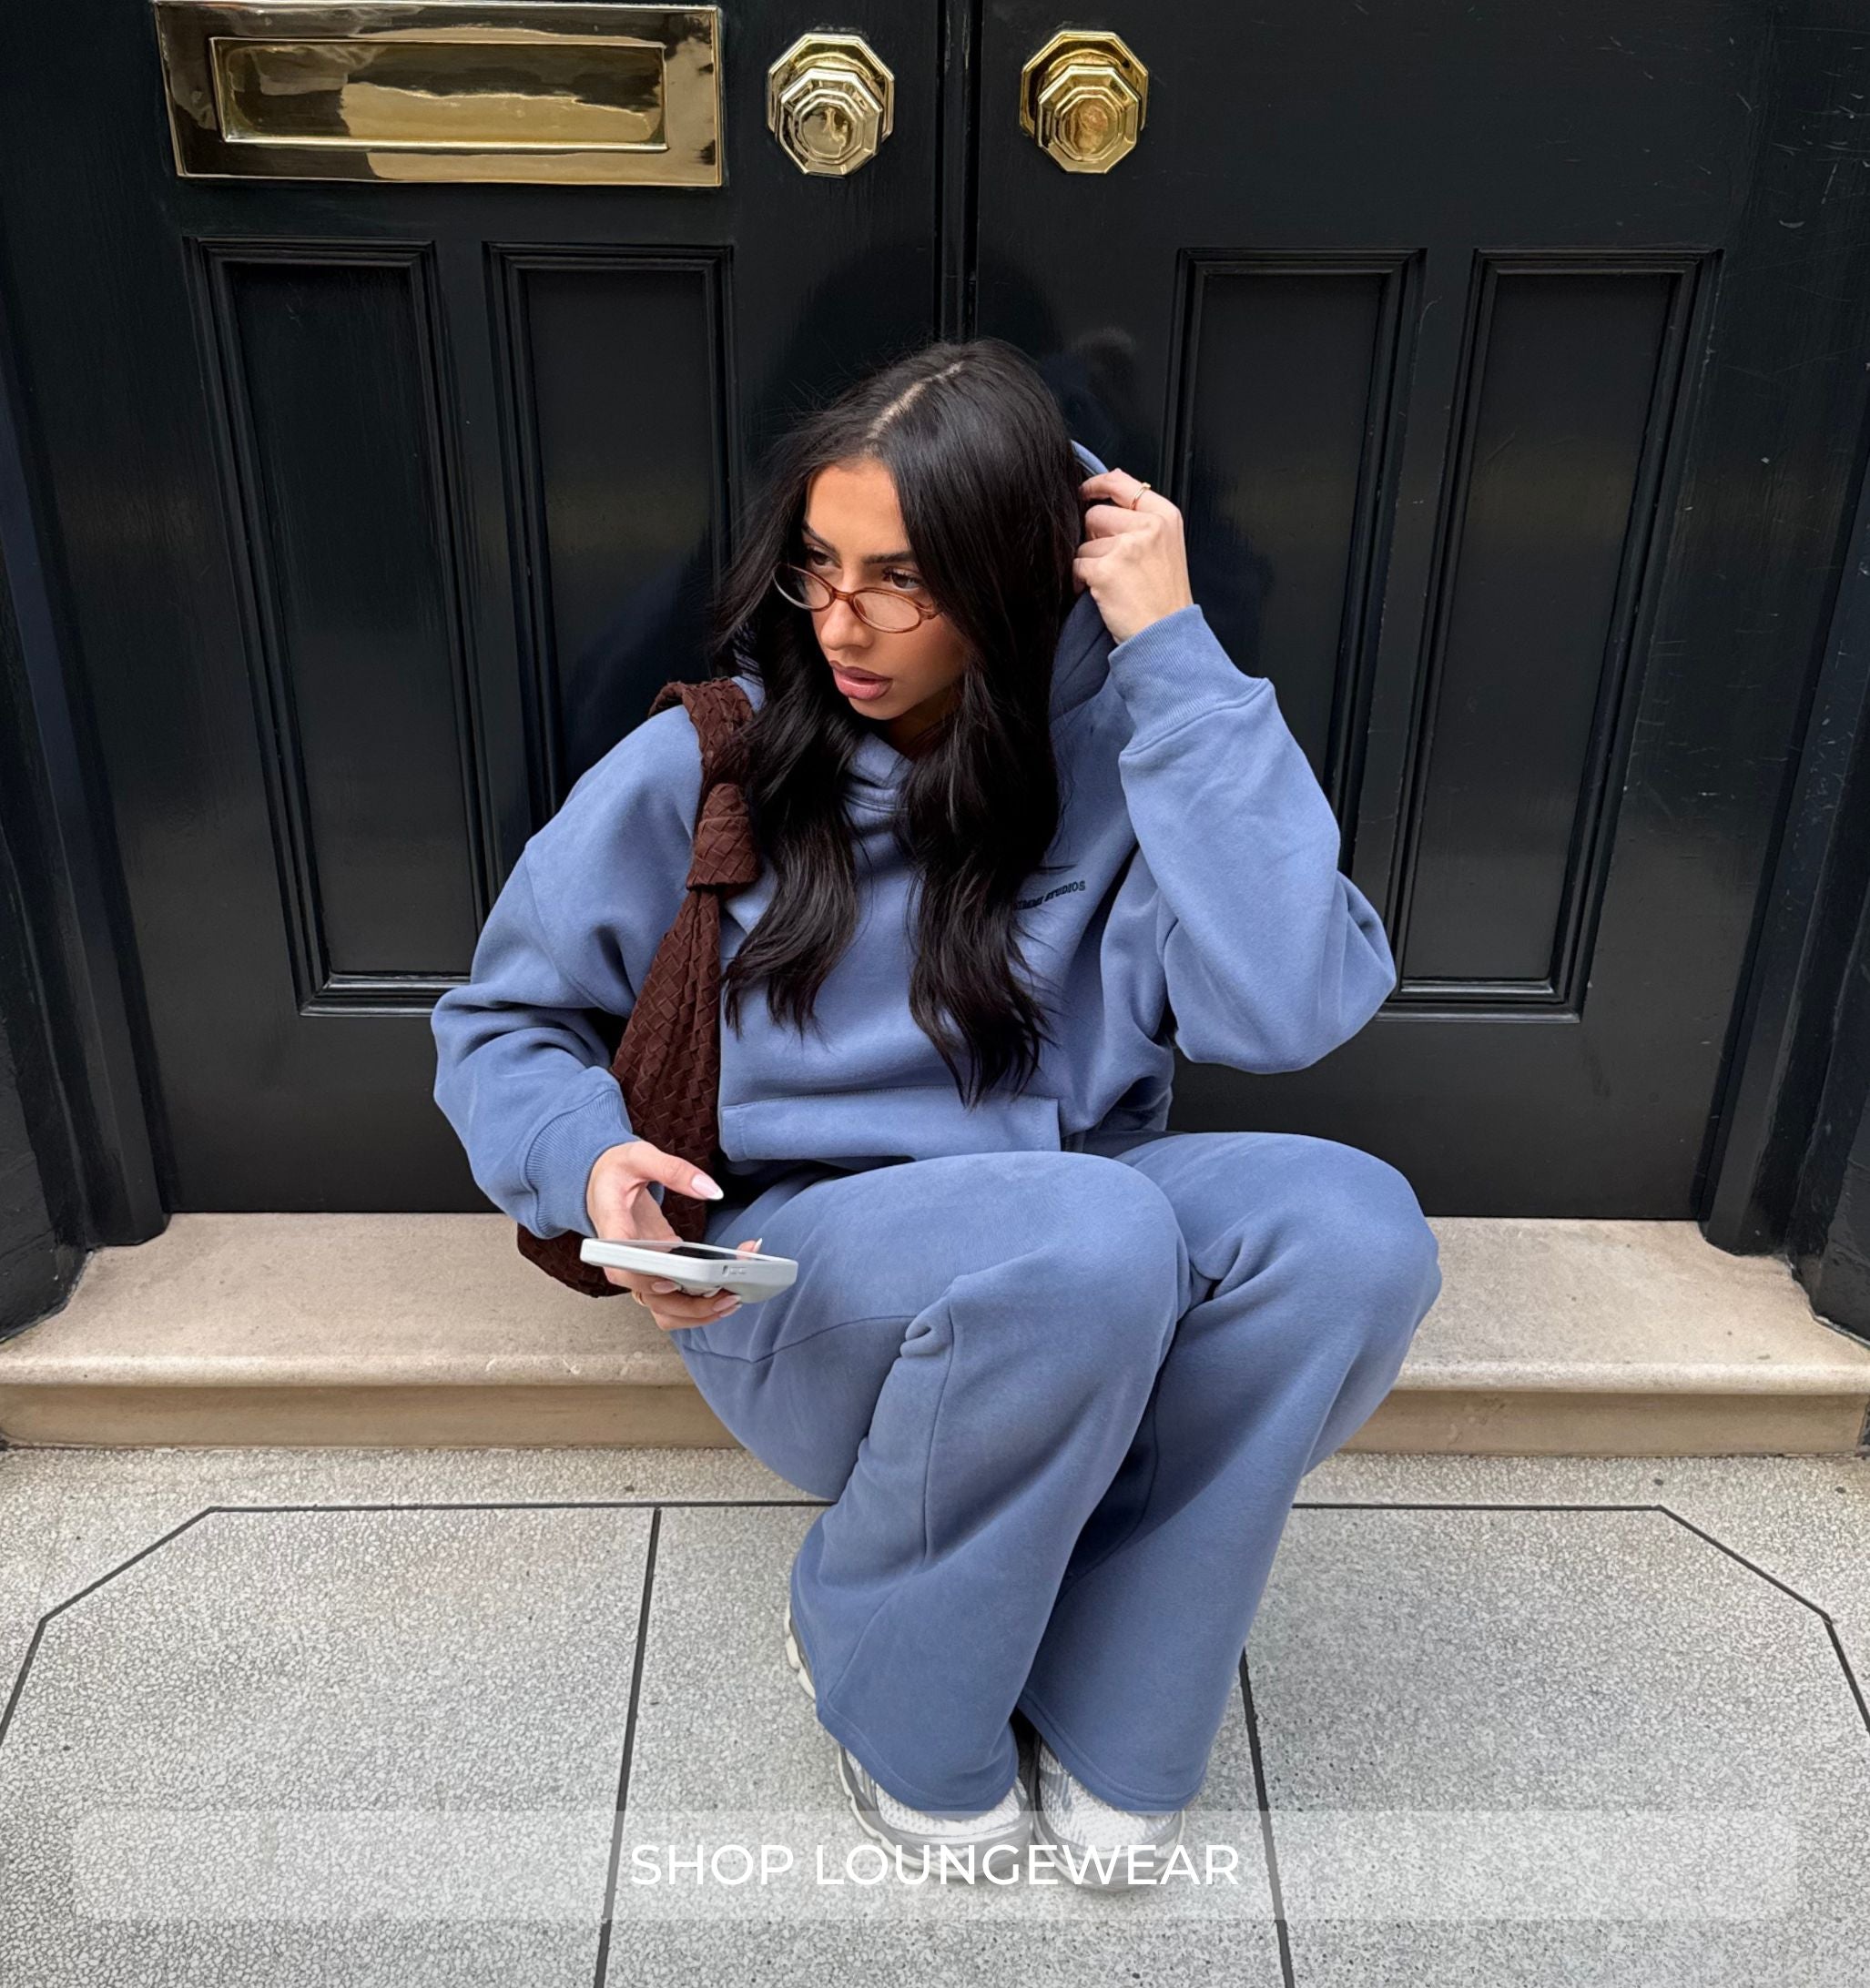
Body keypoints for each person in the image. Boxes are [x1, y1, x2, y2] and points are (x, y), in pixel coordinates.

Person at [430, 338, 1444, 1889]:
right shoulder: (713, 760)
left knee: (1351, 1231)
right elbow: (500, 1021)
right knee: (1094, 1232)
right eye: (816, 570)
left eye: (898, 579)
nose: (840, 622)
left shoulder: (1142, 753)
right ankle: (889, 1676)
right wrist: (585, 1160)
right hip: (807, 1282)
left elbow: (1294, 1003)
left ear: (1014, 574)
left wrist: (1168, 649)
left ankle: (1118, 1682)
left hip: (1079, 1251)